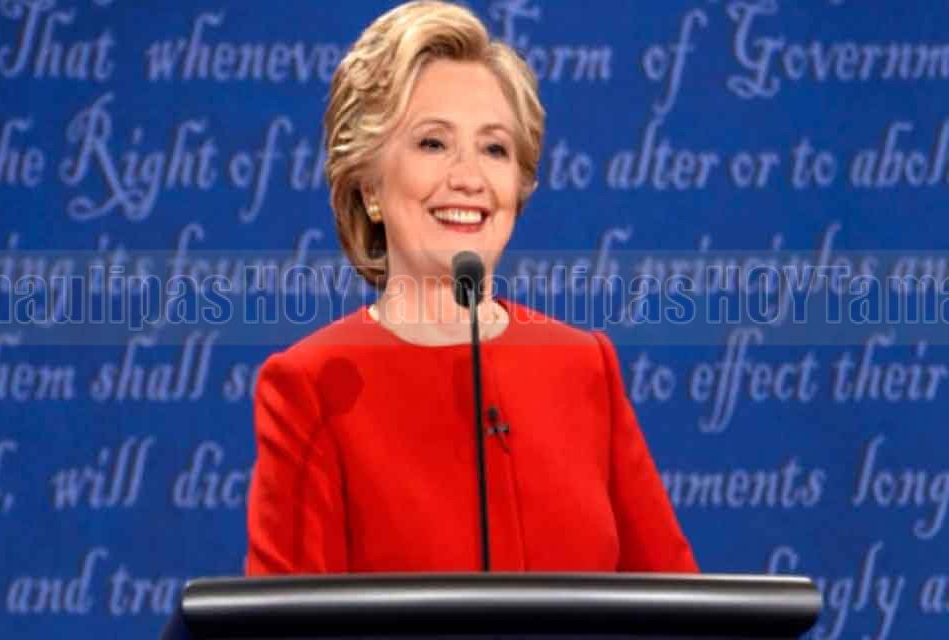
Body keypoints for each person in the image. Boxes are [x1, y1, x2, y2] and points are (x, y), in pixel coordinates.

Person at [245, 0, 698, 574]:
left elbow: (676, 602)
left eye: (494, 149)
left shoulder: (584, 367)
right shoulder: (311, 387)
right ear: (369, 186)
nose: (469, 178)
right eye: (433, 143)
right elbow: (286, 617)